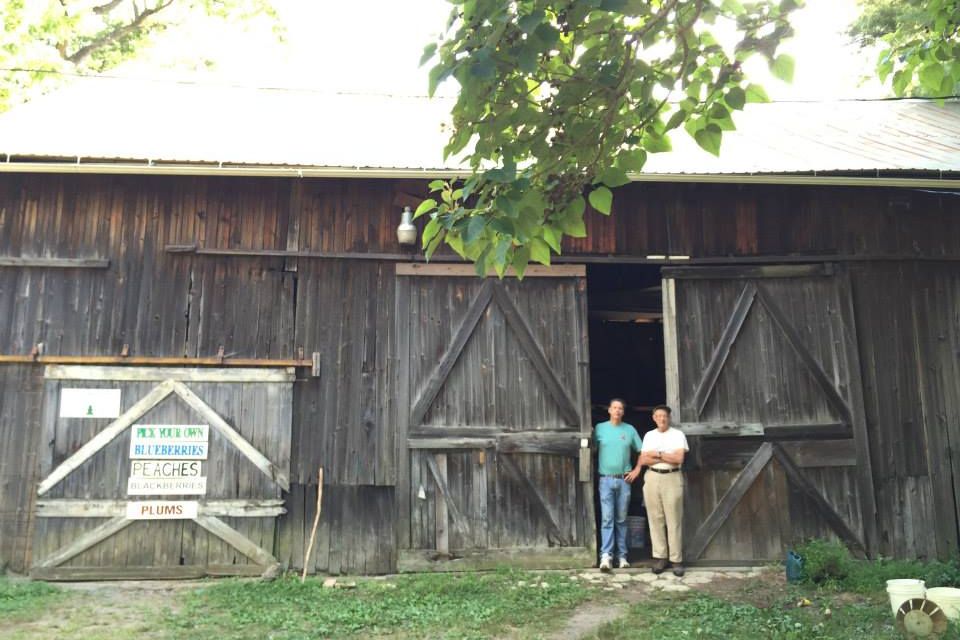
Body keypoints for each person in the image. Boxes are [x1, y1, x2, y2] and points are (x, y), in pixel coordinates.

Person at [593, 398, 643, 572]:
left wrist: (637, 470)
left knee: (621, 519)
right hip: (605, 479)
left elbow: (642, 451)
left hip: (624, 480)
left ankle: (622, 556)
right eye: (614, 408)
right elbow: (591, 450)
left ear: (623, 411)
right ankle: (606, 556)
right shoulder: (600, 428)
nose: (617, 411)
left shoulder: (629, 430)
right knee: (607, 518)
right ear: (609, 410)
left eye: (620, 408)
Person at [640, 404, 689, 576]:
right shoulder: (649, 435)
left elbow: (678, 458)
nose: (662, 419)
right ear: (654, 418)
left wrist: (658, 454)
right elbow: (644, 459)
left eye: (664, 416)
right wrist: (666, 456)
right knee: (655, 519)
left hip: (672, 478)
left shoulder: (677, 435)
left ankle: (676, 560)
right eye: (658, 416)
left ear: (669, 418)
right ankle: (660, 557)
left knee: (674, 518)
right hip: (652, 477)